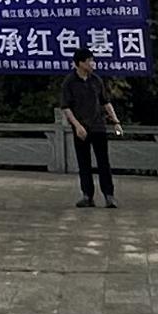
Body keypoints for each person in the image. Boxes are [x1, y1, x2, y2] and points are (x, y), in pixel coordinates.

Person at [58, 44, 122, 208]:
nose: (92, 64)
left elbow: (105, 102)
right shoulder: (69, 82)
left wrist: (116, 122)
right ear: (80, 63)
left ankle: (109, 195)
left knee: (103, 162)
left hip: (98, 126)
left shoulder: (96, 80)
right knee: (84, 163)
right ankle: (87, 195)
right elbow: (66, 107)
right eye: (89, 61)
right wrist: (77, 126)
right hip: (81, 128)